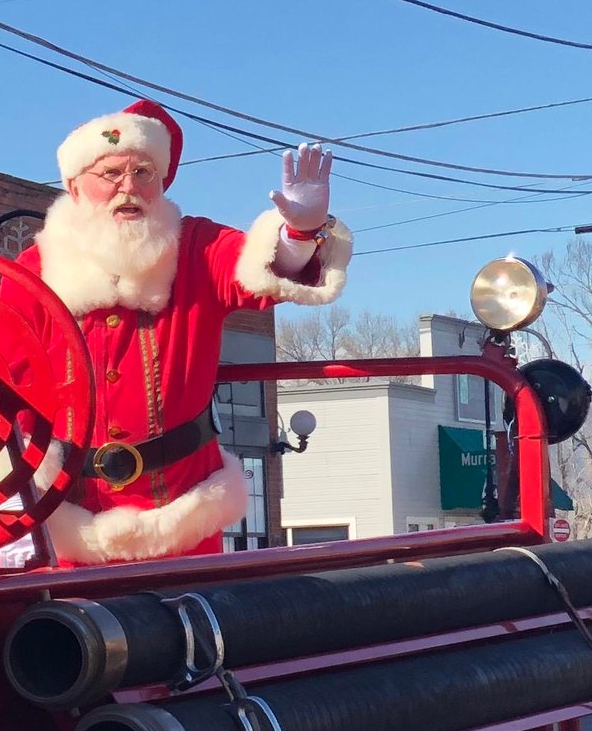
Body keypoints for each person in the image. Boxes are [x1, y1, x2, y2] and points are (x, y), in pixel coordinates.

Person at [18, 100, 350, 564]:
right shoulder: (34, 270)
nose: (128, 188)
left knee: (194, 632)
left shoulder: (194, 246)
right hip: (68, 521)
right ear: (74, 186)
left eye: (143, 173)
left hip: (184, 518)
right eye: (110, 174)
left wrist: (300, 230)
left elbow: (261, 271)